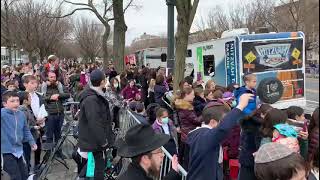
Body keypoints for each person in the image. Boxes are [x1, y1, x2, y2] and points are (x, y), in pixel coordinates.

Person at [186, 93, 253, 180]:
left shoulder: (198, 135)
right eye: (223, 120)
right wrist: (240, 106)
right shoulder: (205, 136)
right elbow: (223, 129)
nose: (226, 123)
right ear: (213, 122)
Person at [78, 69, 114, 180]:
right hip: (95, 141)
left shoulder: (94, 95)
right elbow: (95, 122)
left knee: (98, 165)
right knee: (99, 167)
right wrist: (103, 141)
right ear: (102, 81)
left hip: (95, 140)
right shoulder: (91, 100)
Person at [116, 124, 181, 180]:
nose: (162, 155)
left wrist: (174, 172)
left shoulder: (134, 172)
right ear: (145, 159)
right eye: (159, 151)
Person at [1, 91, 37, 180]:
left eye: (17, 100)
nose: (16, 103)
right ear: (5, 104)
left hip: (19, 150)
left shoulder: (20, 114)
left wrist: (32, 142)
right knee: (15, 176)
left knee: (24, 174)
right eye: (12, 101)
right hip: (6, 151)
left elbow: (26, 129)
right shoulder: (2, 114)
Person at [238, 103, 273, 180]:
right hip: (253, 160)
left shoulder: (248, 122)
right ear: (262, 114)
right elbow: (258, 146)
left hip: (246, 158)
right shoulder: (258, 127)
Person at [42, 71, 70, 159]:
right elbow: (41, 97)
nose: (53, 79)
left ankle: (58, 152)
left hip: (60, 113)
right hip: (50, 114)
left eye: (54, 77)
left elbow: (67, 94)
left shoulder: (60, 86)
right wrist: (50, 97)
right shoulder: (44, 87)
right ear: (47, 78)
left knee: (58, 134)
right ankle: (49, 155)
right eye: (51, 77)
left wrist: (59, 95)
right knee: (49, 135)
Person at [173, 86, 201, 169]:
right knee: (187, 159)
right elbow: (196, 120)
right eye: (192, 94)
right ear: (186, 95)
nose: (194, 96)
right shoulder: (186, 108)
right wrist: (205, 115)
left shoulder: (182, 105)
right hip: (189, 135)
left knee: (182, 156)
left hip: (185, 135)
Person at [22, 75, 45, 169]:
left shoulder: (39, 96)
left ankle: (37, 163)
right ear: (25, 84)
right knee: (27, 148)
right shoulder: (22, 96)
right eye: (32, 83)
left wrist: (43, 117)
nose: (35, 85)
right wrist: (34, 123)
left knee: (38, 144)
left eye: (36, 83)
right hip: (29, 125)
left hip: (39, 123)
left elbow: (43, 108)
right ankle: (27, 167)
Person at [18, 91, 40, 174]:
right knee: (26, 160)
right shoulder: (23, 111)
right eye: (29, 98)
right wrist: (34, 127)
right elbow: (25, 127)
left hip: (28, 139)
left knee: (28, 159)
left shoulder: (27, 109)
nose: (31, 99)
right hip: (25, 141)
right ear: (25, 100)